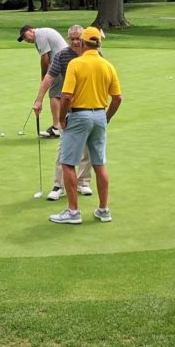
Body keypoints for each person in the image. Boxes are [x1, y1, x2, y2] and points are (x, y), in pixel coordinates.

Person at [49, 26, 122, 225]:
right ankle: (103, 210)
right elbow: (117, 98)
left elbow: (66, 96)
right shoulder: (108, 65)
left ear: (82, 42)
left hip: (79, 115)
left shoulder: (76, 63)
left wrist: (62, 119)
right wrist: (106, 117)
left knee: (67, 163)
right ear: (99, 43)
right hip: (99, 115)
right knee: (99, 164)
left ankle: (73, 212)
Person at [31, 25, 93, 200]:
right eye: (71, 38)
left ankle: (83, 182)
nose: (74, 41)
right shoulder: (62, 55)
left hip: (89, 107)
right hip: (70, 108)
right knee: (64, 147)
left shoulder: (92, 54)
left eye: (78, 38)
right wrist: (39, 99)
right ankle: (59, 185)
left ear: (84, 38)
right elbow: (49, 78)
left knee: (87, 147)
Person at [18, 25, 68, 138]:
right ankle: (64, 122)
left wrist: (44, 77)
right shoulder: (42, 34)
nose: (26, 40)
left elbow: (45, 59)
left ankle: (56, 127)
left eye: (25, 36)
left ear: (31, 30)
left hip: (61, 63)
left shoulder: (39, 34)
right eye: (24, 40)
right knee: (63, 93)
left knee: (54, 94)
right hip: (65, 61)